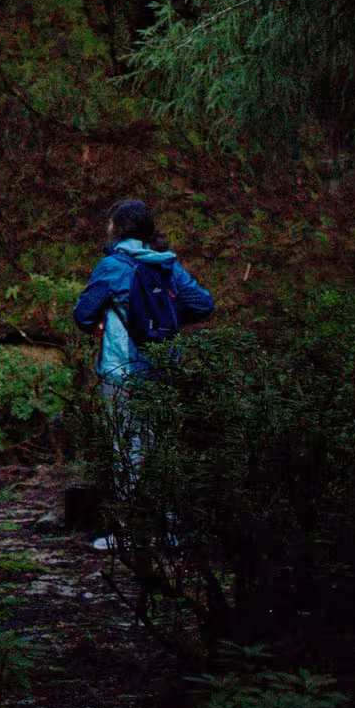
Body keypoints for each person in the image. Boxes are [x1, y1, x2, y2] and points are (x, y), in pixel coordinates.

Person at [71, 198, 214, 549]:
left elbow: (83, 314)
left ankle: (126, 532)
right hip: (162, 368)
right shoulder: (167, 265)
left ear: (116, 229)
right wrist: (166, 325)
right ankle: (169, 529)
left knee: (126, 449)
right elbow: (203, 304)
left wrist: (107, 320)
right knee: (160, 446)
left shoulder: (111, 266)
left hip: (122, 369)